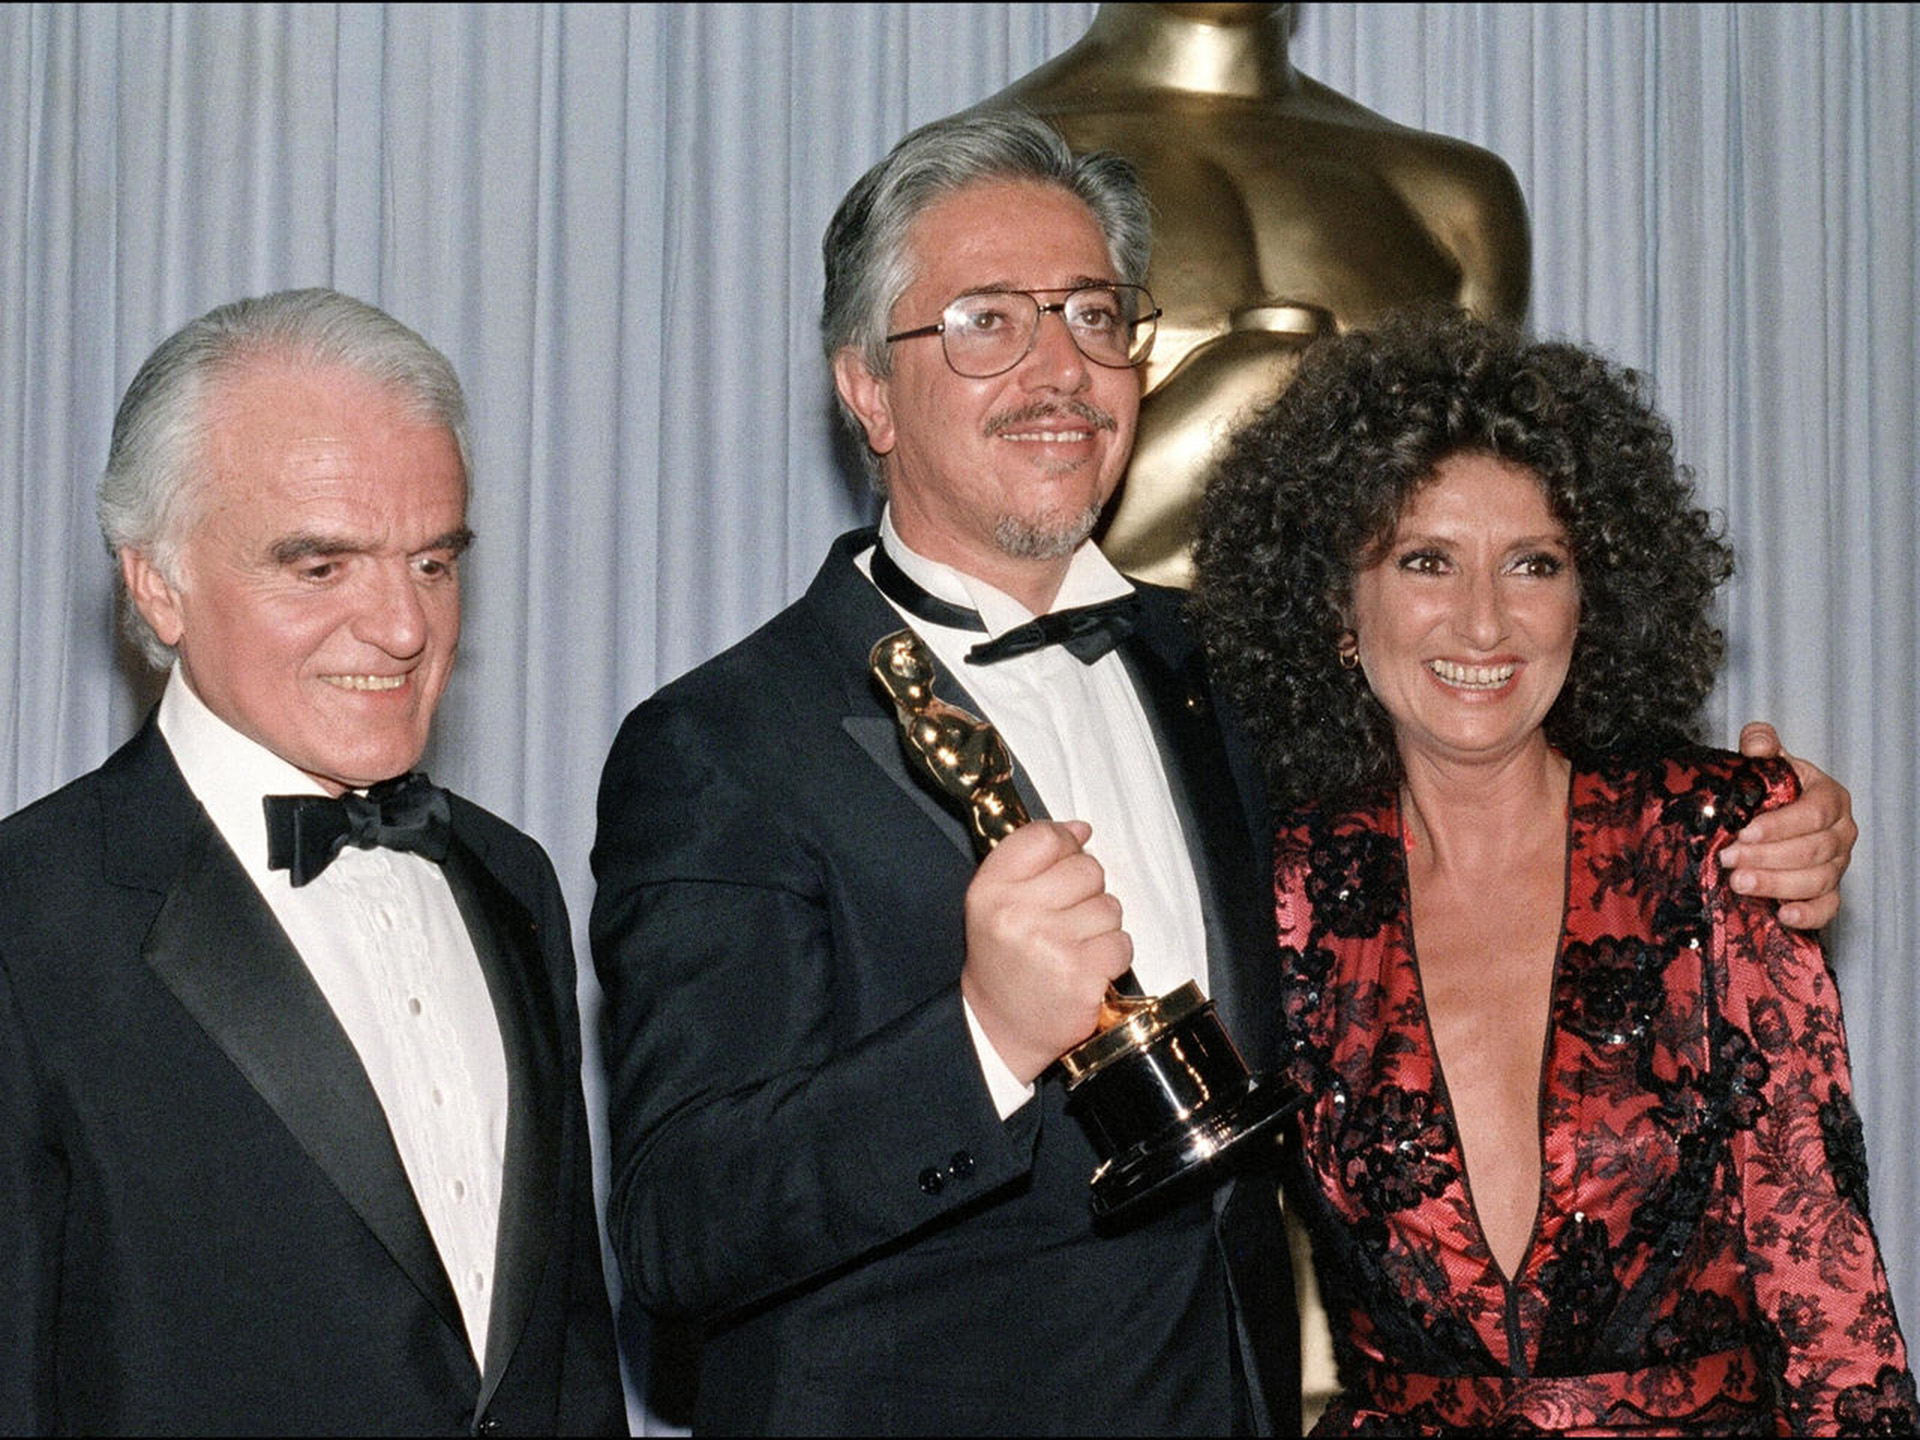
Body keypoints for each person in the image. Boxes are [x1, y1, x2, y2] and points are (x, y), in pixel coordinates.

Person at [591, 111, 1850, 1435]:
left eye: (1091, 312)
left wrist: (1764, 827)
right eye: (986, 322)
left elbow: (1493, 752)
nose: (1058, 367)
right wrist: (982, 1040)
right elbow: (683, 1227)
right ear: (865, 387)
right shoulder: (726, 742)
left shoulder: (1236, 665)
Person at [1191, 306, 1914, 1435]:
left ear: (1595, 601)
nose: (1484, 623)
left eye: (1535, 564)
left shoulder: (1717, 841)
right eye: (1425, 561)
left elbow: (1824, 1285)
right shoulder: (1276, 888)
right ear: (1338, 609)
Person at [0, 288, 626, 1434]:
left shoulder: (512, 880)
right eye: (322, 568)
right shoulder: (27, 920)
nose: (402, 626)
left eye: (434, 562)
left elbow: (566, 1358)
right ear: (158, 583)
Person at [975, 2, 1531, 586]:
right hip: (1081, 660)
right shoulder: (976, 178)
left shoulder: (1457, 198)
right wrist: (1258, 379)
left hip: (1361, 667)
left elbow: (1479, 508)